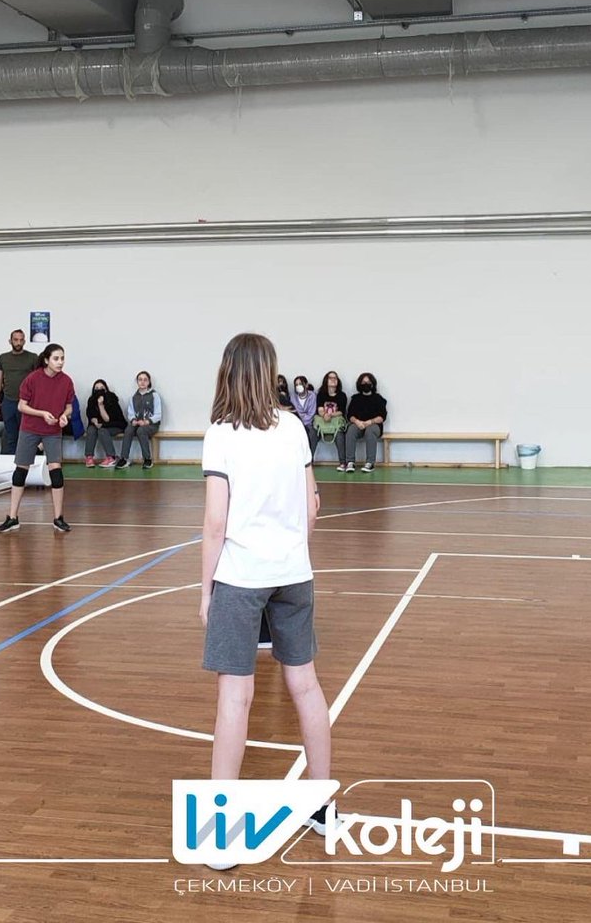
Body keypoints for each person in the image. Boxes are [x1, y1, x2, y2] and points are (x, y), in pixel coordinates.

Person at [200, 333, 331, 858]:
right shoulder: (294, 428)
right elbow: (312, 506)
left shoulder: (221, 433)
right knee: (306, 686)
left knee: (236, 698)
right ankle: (323, 805)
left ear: (227, 371)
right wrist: (292, 554)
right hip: (293, 572)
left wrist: (206, 589)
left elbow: (215, 521)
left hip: (241, 575)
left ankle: (220, 834)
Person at [0, 343, 74, 536]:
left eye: (62, 358)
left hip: (53, 430)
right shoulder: (32, 379)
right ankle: (12, 518)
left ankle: (58, 518)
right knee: (20, 471)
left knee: (56, 471)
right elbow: (22, 406)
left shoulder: (66, 381)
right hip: (30, 429)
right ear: (46, 360)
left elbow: (69, 406)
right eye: (56, 358)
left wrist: (65, 415)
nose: (60, 362)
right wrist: (42, 414)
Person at [0, 329, 37, 455]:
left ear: (25, 341)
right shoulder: (3, 358)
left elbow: (39, 380)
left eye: (21, 340)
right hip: (8, 401)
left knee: (27, 433)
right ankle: (10, 463)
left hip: (27, 403)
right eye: (16, 340)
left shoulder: (32, 357)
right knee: (10, 434)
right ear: (10, 341)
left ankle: (26, 462)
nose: (18, 342)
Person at [115, 371, 162, 470]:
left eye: (145, 380)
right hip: (138, 423)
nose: (142, 382)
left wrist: (146, 422)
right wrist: (133, 420)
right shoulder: (133, 397)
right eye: (140, 379)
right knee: (128, 430)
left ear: (149, 382)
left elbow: (158, 415)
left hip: (151, 424)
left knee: (141, 431)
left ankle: (147, 459)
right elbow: (130, 413)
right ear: (137, 382)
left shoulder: (154, 395)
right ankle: (124, 458)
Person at [344, 373, 388, 473]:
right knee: (351, 429)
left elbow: (382, 417)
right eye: (363, 382)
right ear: (359, 384)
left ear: (372, 384)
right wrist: (357, 421)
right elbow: (350, 415)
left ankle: (370, 463)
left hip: (374, 426)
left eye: (368, 382)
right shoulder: (355, 398)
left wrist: (370, 422)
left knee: (370, 430)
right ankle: (350, 462)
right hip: (359, 424)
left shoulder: (378, 399)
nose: (366, 384)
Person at [85, 378, 124, 468]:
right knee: (91, 430)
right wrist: (94, 421)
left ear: (106, 389)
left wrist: (100, 405)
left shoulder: (112, 399)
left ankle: (111, 457)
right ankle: (89, 457)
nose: (99, 390)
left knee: (102, 431)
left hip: (115, 424)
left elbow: (107, 419)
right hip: (100, 425)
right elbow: (90, 415)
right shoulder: (91, 400)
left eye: (102, 388)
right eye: (96, 388)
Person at [315, 370, 348, 469]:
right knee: (313, 433)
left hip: (336, 423)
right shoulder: (321, 394)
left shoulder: (342, 395)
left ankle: (343, 463)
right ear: (326, 380)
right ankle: (308, 462)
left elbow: (341, 411)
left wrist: (330, 415)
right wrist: (324, 415)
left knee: (340, 435)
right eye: (331, 378)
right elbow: (320, 409)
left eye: (335, 378)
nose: (333, 380)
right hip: (323, 422)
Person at [291, 375, 318, 455]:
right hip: (296, 424)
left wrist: (302, 418)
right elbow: (294, 413)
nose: (298, 386)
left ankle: (309, 459)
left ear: (306, 385)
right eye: (296, 384)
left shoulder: (312, 396)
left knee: (313, 434)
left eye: (300, 384)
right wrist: (299, 421)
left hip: (310, 424)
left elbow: (311, 413)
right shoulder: (293, 397)